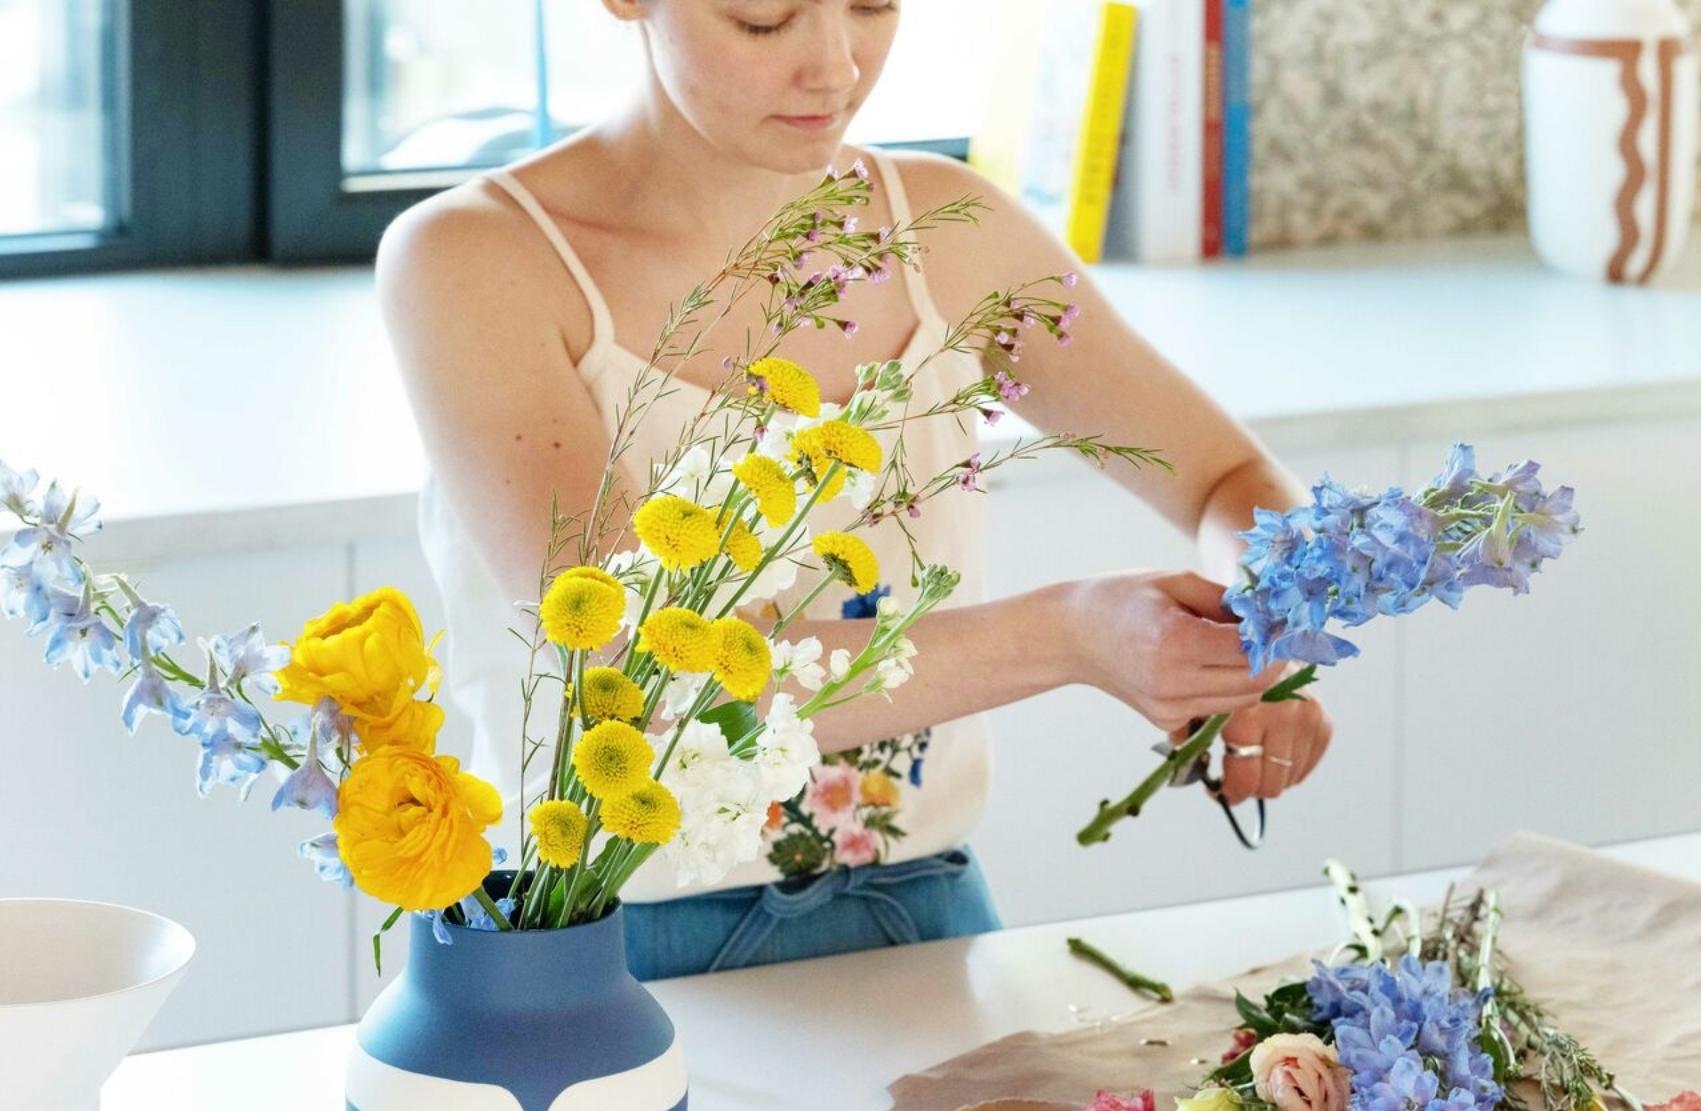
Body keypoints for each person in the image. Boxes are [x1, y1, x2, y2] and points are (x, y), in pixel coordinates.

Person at [377, 0, 1334, 979]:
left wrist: (1271, 625)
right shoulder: (474, 260)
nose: (834, 67)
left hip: (925, 911)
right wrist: (1077, 634)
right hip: (599, 946)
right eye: (765, 18)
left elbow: (1229, 481)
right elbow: (657, 682)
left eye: (872, 5)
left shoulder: (952, 236)